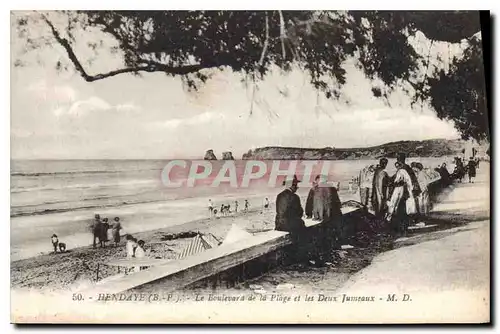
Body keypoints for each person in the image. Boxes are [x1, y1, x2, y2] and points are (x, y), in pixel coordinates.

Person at [305, 175, 343, 261]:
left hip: (320, 218)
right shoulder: (332, 189)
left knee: (322, 235)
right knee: (330, 235)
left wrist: (309, 214)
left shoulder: (314, 190)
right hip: (332, 218)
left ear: (317, 181)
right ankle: (332, 250)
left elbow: (309, 205)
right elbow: (338, 204)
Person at [275, 175, 308, 262]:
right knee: (305, 233)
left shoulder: (279, 195)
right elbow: (300, 212)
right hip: (291, 226)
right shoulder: (295, 197)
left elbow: (280, 212)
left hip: (280, 225)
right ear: (292, 185)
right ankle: (301, 259)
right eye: (296, 185)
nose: (297, 187)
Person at [386, 162, 414, 237]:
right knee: (401, 209)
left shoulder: (401, 172)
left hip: (400, 191)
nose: (397, 167)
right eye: (396, 166)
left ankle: (399, 228)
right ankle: (402, 228)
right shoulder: (403, 172)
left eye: (397, 166)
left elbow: (397, 182)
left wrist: (394, 183)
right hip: (402, 192)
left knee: (398, 208)